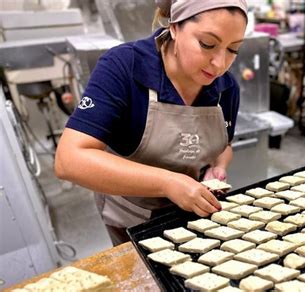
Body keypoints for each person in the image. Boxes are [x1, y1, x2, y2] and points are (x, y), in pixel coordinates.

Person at [55, 0, 248, 245]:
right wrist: (167, 182)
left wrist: (218, 167)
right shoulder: (124, 67)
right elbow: (69, 160)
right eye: (207, 44)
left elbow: (224, 145)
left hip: (192, 212)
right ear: (175, 27)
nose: (220, 64)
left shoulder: (225, 88)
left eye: (233, 50)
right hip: (131, 217)